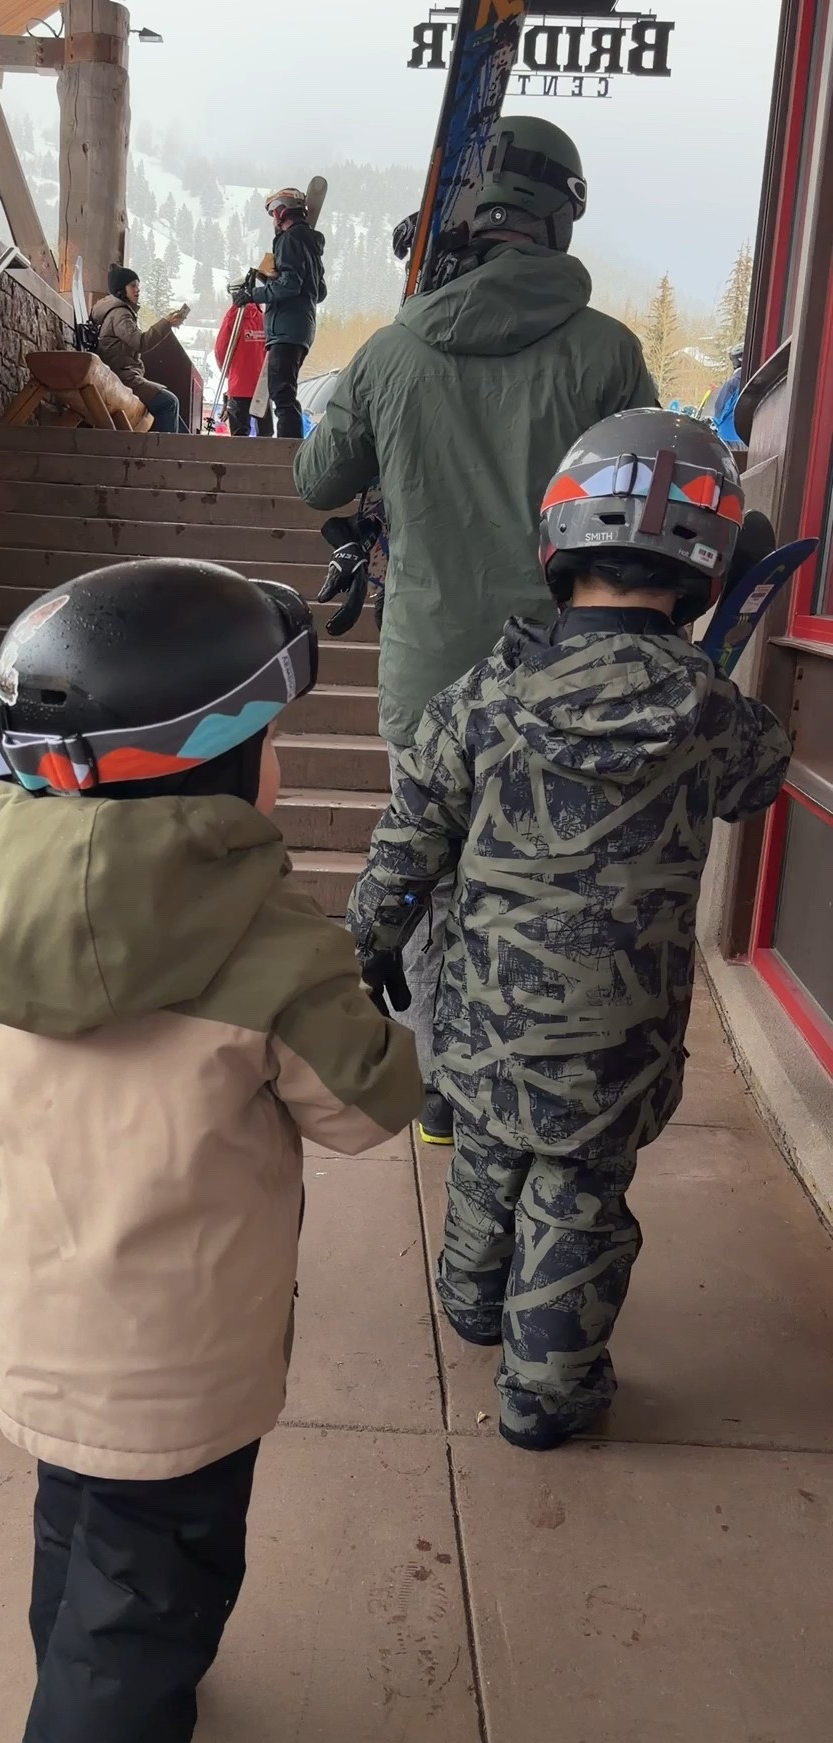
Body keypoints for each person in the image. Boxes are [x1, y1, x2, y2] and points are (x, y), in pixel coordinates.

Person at [0, 557, 422, 1743]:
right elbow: (362, 1113)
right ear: (231, 762)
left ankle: (84, 1696)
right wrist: (383, 1015)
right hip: (189, 1375)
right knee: (145, 1625)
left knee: (81, 1539)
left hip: (38, 1342)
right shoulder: (272, 941)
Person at [349, 410, 791, 1452]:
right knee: (580, 1196)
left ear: (560, 541)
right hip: (618, 1032)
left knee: (488, 1150)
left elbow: (413, 832)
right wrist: (718, 656)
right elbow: (759, 781)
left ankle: (471, 1301)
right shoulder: (709, 709)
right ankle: (545, 1395)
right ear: (705, 571)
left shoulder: (484, 694)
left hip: (488, 1010)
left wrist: (375, 934)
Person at [294, 118, 658, 1147]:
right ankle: (536, 1088)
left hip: (430, 672)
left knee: (428, 872)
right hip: (567, 674)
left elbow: (317, 478)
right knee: (550, 883)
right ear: (562, 214)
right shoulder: (608, 354)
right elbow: (641, 506)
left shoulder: (395, 348)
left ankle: (441, 1095)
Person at [232, 187, 326, 439]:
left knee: (282, 393)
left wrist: (254, 294)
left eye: (274, 211)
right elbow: (319, 291)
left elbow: (290, 285)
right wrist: (272, 279)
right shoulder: (311, 246)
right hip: (302, 328)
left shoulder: (288, 240)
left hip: (285, 328)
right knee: (284, 390)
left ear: (283, 211)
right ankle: (288, 448)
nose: (273, 217)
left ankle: (286, 451)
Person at [93, 266, 190, 434]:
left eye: (138, 286)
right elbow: (140, 343)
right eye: (132, 285)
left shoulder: (117, 311)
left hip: (121, 376)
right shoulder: (120, 314)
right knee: (169, 402)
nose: (137, 290)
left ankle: (182, 446)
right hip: (121, 378)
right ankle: (167, 450)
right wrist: (166, 323)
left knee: (170, 406)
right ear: (121, 289)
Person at [213, 296, 273, 436]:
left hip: (239, 385)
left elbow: (221, 349)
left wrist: (228, 373)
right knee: (265, 435)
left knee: (239, 435)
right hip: (263, 385)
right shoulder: (265, 318)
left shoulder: (232, 317)